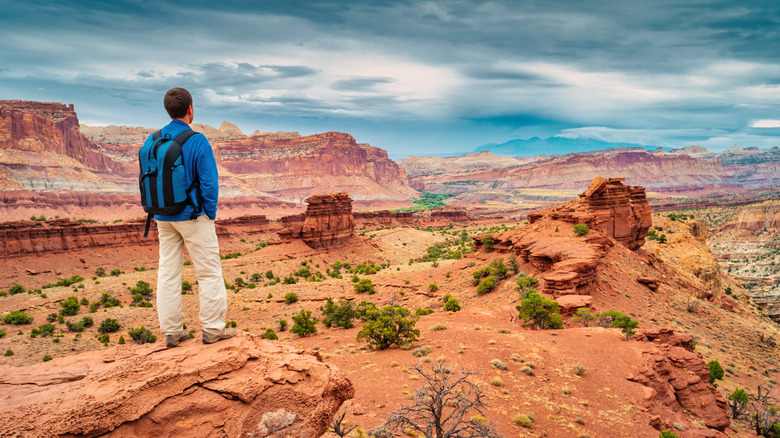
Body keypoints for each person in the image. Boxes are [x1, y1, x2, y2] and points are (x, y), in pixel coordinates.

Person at [147, 87, 235, 347]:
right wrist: (210, 213)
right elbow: (210, 184)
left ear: (167, 110)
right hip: (194, 216)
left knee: (168, 273)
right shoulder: (197, 141)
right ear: (190, 110)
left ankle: (172, 332)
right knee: (208, 274)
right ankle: (213, 329)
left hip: (163, 217)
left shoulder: (152, 140)